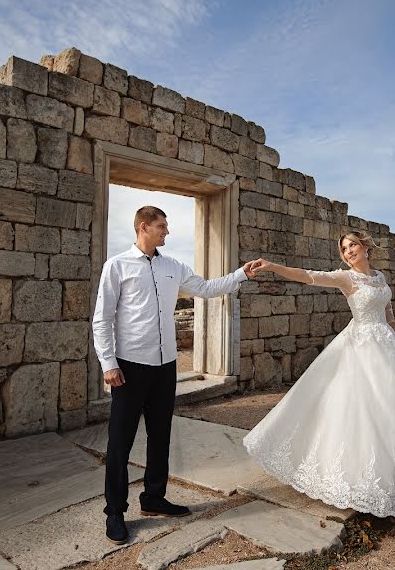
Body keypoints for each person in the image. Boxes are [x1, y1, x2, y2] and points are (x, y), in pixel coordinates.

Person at [243, 231, 395, 518]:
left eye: (352, 244)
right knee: (357, 410)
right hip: (358, 346)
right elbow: (308, 275)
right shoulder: (347, 278)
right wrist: (273, 266)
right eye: (344, 248)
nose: (348, 251)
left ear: (365, 247)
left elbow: (389, 312)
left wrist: (394, 340)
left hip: (387, 348)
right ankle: (359, 483)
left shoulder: (379, 277)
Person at [92, 205, 256, 544]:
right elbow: (102, 319)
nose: (166, 232)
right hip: (129, 367)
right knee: (120, 442)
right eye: (161, 226)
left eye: (166, 226)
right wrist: (108, 363)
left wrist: (241, 274)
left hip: (165, 367)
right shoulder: (117, 266)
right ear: (143, 227)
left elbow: (208, 288)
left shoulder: (173, 266)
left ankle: (153, 498)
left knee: (161, 436)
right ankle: (115, 512)